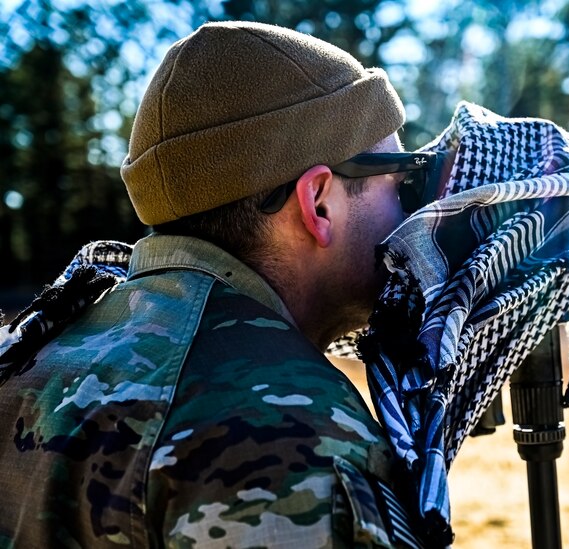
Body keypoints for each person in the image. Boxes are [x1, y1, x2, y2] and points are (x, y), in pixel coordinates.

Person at [0, 21, 431, 547]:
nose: (415, 210)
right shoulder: (291, 429)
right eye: (401, 178)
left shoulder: (30, 355)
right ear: (319, 201)